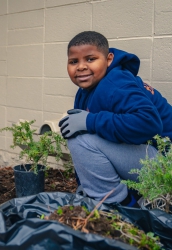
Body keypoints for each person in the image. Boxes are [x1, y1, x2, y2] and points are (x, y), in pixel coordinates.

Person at [59, 31, 172, 207]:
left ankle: (121, 206)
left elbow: (149, 123)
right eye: (74, 61)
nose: (80, 67)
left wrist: (91, 122)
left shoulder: (116, 83)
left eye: (90, 59)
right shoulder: (86, 91)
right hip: (148, 156)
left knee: (81, 139)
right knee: (82, 134)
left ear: (109, 59)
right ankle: (102, 197)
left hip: (165, 164)